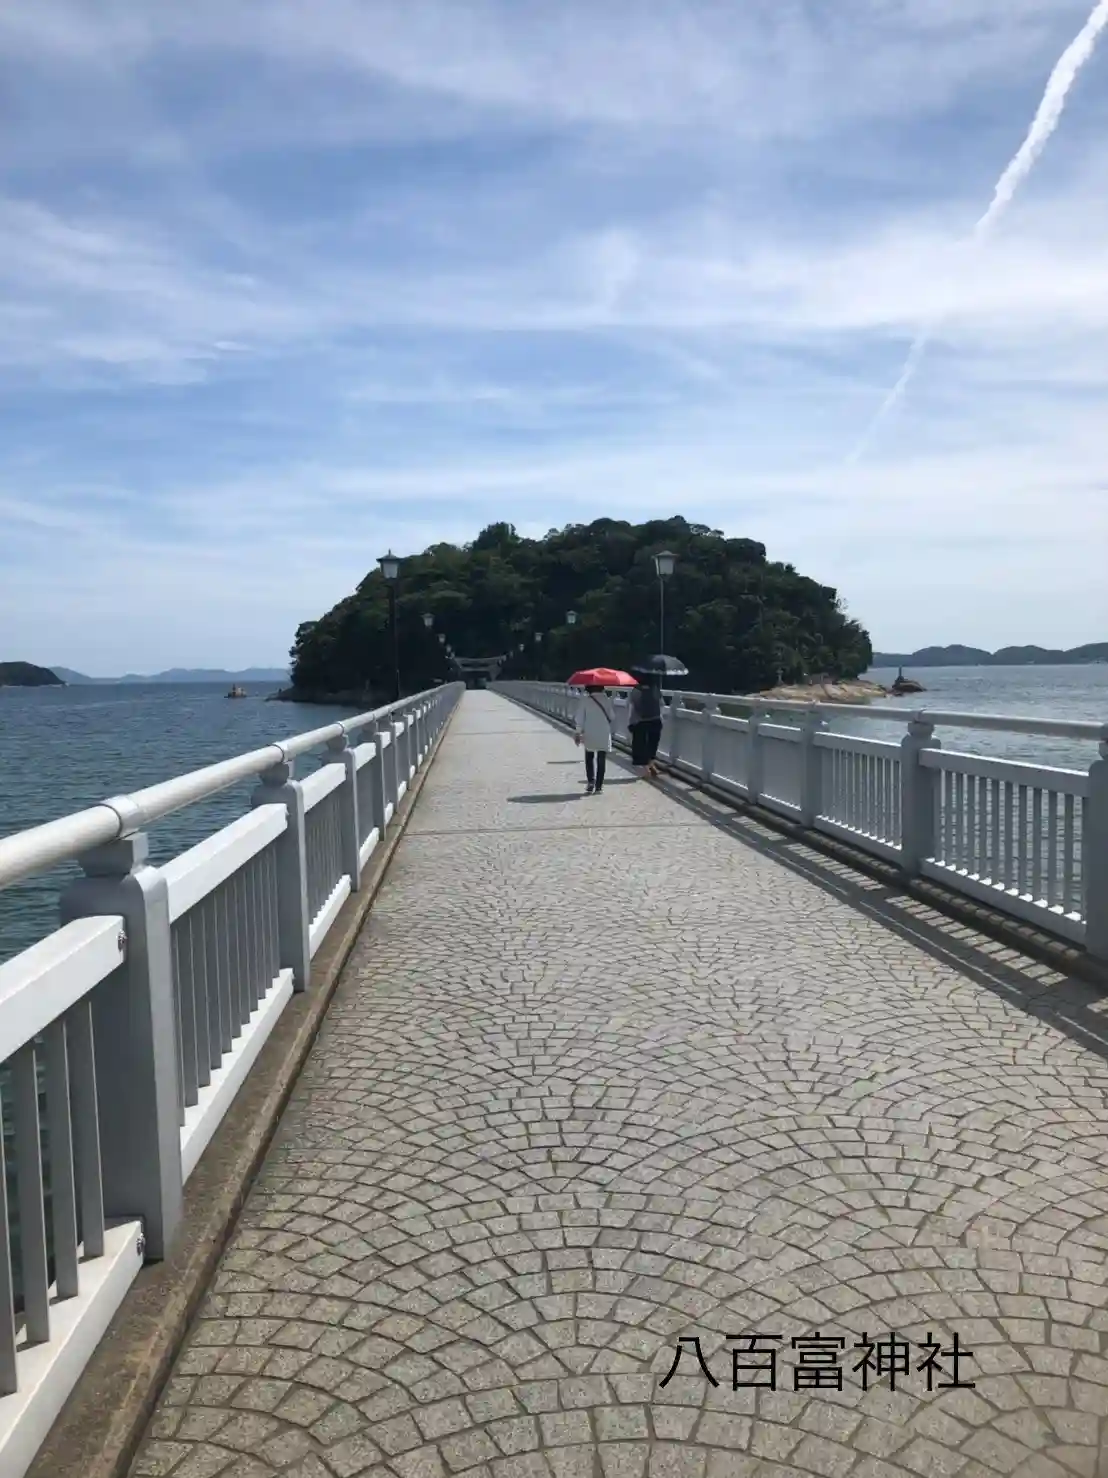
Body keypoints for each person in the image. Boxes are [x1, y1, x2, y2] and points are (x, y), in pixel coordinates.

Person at [574, 683, 614, 793]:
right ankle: (599, 786)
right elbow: (612, 716)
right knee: (601, 759)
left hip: (590, 732)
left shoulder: (585, 700)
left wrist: (578, 732)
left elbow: (580, 719)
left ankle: (591, 782)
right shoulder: (606, 700)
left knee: (589, 757)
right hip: (603, 733)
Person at [627, 671, 664, 777]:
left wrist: (630, 722)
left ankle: (645, 768)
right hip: (655, 720)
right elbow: (661, 704)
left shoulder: (636, 690)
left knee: (640, 745)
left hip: (640, 722)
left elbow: (631, 705)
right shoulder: (655, 689)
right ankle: (651, 763)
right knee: (653, 744)